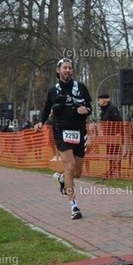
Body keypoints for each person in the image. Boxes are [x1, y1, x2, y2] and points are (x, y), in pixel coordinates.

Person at [34, 58, 92, 220]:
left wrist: (86, 110)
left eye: (70, 68)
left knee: (77, 173)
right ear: (58, 71)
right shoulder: (53, 91)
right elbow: (46, 109)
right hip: (61, 131)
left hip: (79, 131)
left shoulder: (81, 88)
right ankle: (74, 206)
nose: (68, 70)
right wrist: (40, 122)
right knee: (70, 166)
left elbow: (90, 107)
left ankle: (61, 178)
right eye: (65, 68)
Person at [98, 93, 123, 178]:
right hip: (108, 136)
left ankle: (117, 172)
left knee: (115, 153)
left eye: (99, 100)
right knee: (109, 154)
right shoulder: (104, 110)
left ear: (104, 100)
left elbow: (119, 121)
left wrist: (118, 133)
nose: (98, 102)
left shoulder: (112, 109)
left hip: (114, 136)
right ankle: (111, 170)